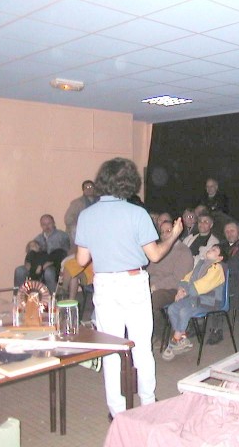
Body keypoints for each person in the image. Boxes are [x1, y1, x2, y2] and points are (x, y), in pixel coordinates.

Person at [75, 157, 182, 417]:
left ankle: (117, 412)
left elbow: (81, 260)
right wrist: (174, 236)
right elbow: (155, 255)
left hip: (104, 285)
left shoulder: (87, 215)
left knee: (111, 350)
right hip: (133, 283)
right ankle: (147, 405)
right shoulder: (137, 213)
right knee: (141, 348)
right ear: (129, 183)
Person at [161, 244, 228, 361]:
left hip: (208, 302)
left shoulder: (217, 269)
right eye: (210, 248)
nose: (210, 250)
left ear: (220, 257)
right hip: (194, 298)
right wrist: (181, 289)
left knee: (184, 311)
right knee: (172, 309)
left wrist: (185, 292)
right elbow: (188, 278)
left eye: (214, 250)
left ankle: (175, 340)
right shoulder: (201, 263)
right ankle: (183, 339)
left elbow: (201, 286)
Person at [206, 219, 239, 345]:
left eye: (232, 230)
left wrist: (216, 265)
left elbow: (235, 267)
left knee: (215, 292)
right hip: (225, 281)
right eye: (227, 231)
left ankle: (216, 329)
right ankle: (194, 322)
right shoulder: (222, 245)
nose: (229, 233)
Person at [147, 220, 194, 338]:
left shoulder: (183, 252)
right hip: (152, 285)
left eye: (168, 231)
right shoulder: (159, 250)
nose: (165, 234)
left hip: (172, 289)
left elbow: (178, 279)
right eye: (162, 232)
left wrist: (155, 286)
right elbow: (149, 271)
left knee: (149, 301)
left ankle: (160, 335)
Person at [14, 214, 70, 293]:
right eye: (44, 224)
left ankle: (53, 297)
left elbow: (66, 254)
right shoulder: (38, 239)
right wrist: (28, 262)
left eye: (49, 223)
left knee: (48, 272)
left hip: (54, 265)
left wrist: (51, 262)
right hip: (37, 265)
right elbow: (30, 253)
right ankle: (18, 296)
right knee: (19, 271)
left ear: (54, 223)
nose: (47, 226)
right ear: (41, 225)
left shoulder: (62, 236)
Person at [64, 180, 97, 250]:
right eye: (86, 187)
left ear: (94, 188)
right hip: (82, 228)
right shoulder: (76, 203)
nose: (89, 189)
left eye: (90, 187)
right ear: (83, 190)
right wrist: (79, 224)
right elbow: (68, 219)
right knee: (74, 229)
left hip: (98, 227)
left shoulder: (100, 201)